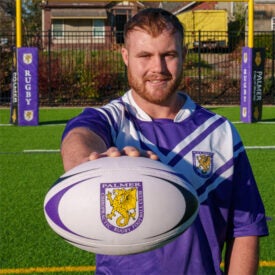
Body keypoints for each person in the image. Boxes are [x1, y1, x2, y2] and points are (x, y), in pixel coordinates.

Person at [61, 8, 269, 275]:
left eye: (168, 55)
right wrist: (89, 166)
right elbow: (79, 137)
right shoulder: (112, 120)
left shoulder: (220, 132)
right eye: (144, 56)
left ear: (183, 55)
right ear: (125, 57)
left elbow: (245, 228)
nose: (157, 68)